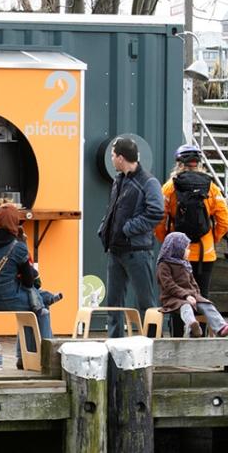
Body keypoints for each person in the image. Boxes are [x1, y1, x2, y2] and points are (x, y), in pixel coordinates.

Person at [154, 144, 228, 336]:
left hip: (177, 257)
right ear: (199, 164)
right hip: (206, 253)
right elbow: (224, 219)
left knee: (177, 297)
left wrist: (169, 242)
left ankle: (178, 338)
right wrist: (212, 239)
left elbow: (160, 220)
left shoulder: (170, 187)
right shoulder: (211, 187)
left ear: (179, 164)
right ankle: (200, 340)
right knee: (201, 297)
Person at [0, 204, 56, 368]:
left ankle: (24, 358)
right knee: (40, 307)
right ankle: (47, 360)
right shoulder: (17, 246)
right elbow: (28, 282)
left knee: (35, 302)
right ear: (15, 222)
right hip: (7, 299)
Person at [98, 136, 164, 337]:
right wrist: (104, 227)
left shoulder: (149, 182)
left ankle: (151, 345)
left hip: (138, 252)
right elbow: (113, 209)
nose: (111, 159)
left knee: (145, 303)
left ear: (120, 157)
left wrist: (128, 228)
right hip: (116, 250)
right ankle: (114, 345)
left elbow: (156, 213)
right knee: (113, 304)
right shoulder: (119, 180)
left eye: (112, 155)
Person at [157, 232, 228, 338]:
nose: (188, 251)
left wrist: (196, 295)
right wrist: (186, 296)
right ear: (177, 249)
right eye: (186, 248)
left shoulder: (185, 264)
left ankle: (221, 328)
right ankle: (191, 326)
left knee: (207, 304)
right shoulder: (164, 265)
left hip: (191, 296)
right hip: (172, 298)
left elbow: (193, 283)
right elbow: (169, 285)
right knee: (186, 306)